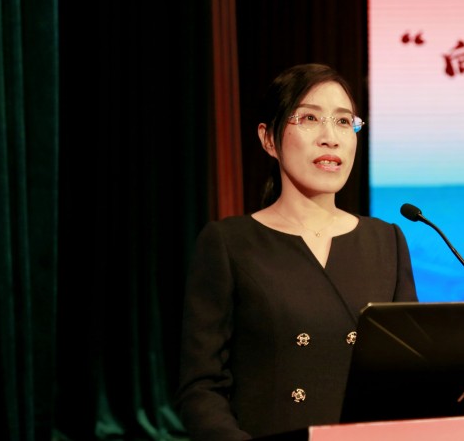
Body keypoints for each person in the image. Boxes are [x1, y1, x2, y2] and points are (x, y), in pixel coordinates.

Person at [175, 63, 418, 440]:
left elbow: (409, 376)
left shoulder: (386, 241)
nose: (330, 138)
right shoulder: (230, 243)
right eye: (309, 118)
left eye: (343, 122)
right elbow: (200, 389)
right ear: (268, 139)